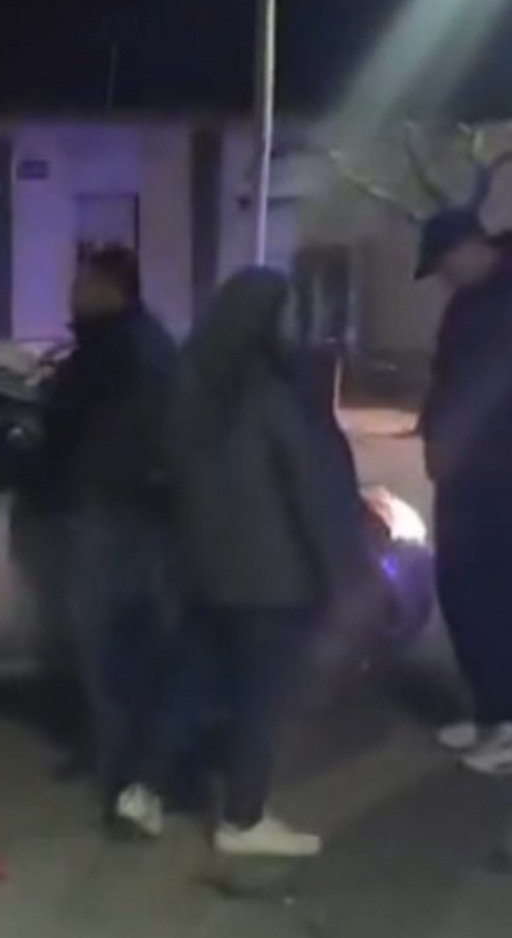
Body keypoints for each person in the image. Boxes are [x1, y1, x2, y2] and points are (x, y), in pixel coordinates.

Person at [167, 266, 369, 857]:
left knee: (202, 687)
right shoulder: (272, 396)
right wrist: (346, 575)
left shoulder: (191, 389)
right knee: (259, 704)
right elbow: (312, 490)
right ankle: (243, 819)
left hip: (208, 572)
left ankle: (153, 788)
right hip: (272, 579)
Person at [38, 245, 182, 836]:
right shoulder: (126, 344)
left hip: (121, 518)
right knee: (114, 651)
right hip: (123, 513)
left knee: (113, 652)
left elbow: (90, 425)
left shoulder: (125, 350)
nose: (74, 293)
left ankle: (129, 773)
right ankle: (116, 759)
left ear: (112, 288)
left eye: (84, 283)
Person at [416, 208, 512, 774]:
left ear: (469, 246)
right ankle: (487, 712)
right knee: (461, 588)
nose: (444, 277)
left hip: (498, 474)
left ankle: (505, 723)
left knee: (493, 595)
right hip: (467, 473)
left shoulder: (502, 301)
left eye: (444, 263)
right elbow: (448, 377)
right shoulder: (471, 301)